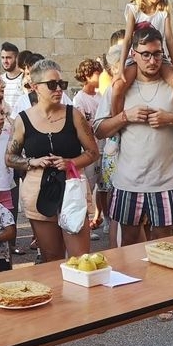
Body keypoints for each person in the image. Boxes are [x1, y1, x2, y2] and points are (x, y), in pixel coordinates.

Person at [94, 27, 173, 246]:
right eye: (145, 54)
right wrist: (125, 116)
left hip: (165, 182)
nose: (152, 60)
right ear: (133, 54)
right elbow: (99, 130)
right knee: (129, 244)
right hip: (128, 182)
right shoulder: (121, 86)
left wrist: (172, 120)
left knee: (165, 244)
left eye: (157, 54)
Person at [5, 59, 99, 261]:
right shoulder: (23, 119)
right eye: (52, 84)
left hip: (71, 188)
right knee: (51, 258)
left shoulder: (73, 114)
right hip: (39, 192)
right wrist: (32, 162)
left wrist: (70, 163)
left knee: (81, 258)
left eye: (61, 84)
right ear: (35, 87)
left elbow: (93, 152)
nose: (58, 89)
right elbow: (9, 158)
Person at [112, 0, 173, 123]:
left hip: (160, 57)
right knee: (118, 86)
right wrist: (120, 69)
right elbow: (127, 40)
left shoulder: (163, 12)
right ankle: (116, 130)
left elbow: (170, 39)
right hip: (138, 58)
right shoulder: (134, 10)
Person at [72, 58, 104, 240]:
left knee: (104, 186)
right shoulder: (79, 99)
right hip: (89, 149)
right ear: (86, 75)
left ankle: (101, 218)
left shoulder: (101, 97)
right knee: (87, 187)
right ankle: (85, 222)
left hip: (104, 146)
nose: (99, 77)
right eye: (96, 74)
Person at [0, 42, 24, 110]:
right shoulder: (0, 79)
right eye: (2, 57)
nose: (5, 61)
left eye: (8, 58)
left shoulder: (25, 79)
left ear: (16, 58)